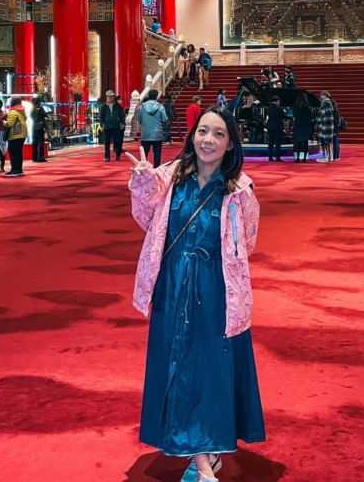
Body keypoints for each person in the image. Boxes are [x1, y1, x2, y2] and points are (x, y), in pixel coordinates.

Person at [125, 106, 265, 481]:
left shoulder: (240, 189)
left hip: (217, 290)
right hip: (172, 285)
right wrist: (141, 182)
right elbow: (146, 219)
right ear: (192, 136)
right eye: (203, 131)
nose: (208, 140)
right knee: (179, 366)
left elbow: (247, 240)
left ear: (231, 143)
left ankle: (205, 457)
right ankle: (205, 461)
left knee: (211, 371)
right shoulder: (168, 176)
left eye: (219, 134)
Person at [136, 90, 169, 167]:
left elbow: (139, 118)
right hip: (157, 132)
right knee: (157, 152)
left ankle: (143, 168)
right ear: (156, 96)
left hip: (145, 133)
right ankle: (156, 168)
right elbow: (164, 119)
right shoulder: (160, 107)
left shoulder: (142, 107)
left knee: (144, 153)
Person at [3, 98, 28, 176]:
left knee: (13, 153)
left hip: (15, 135)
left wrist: (3, 122)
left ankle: (14, 170)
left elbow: (10, 123)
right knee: (19, 153)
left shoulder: (13, 111)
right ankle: (19, 170)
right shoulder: (21, 111)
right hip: (22, 135)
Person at [100, 90, 126, 163]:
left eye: (112, 96)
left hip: (116, 127)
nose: (111, 98)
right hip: (107, 127)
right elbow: (101, 117)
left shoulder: (117, 106)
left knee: (118, 142)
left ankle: (118, 154)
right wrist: (101, 125)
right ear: (107, 97)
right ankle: (107, 157)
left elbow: (121, 115)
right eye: (110, 96)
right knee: (107, 143)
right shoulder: (103, 106)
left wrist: (122, 123)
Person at [292, 92, 314, 163]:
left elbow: (294, 115)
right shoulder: (307, 106)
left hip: (298, 125)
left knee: (297, 143)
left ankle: (297, 158)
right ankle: (304, 158)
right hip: (305, 125)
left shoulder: (295, 106)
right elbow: (310, 116)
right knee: (305, 143)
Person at [315, 90, 336, 163]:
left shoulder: (324, 104)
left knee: (325, 142)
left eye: (321, 95)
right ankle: (330, 157)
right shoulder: (329, 103)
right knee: (327, 143)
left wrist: (316, 120)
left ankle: (326, 157)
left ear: (324, 95)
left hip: (324, 125)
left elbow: (321, 114)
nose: (320, 97)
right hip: (329, 125)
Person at [265, 95, 286, 162]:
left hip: (270, 126)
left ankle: (270, 157)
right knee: (277, 142)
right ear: (277, 101)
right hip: (278, 126)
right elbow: (283, 116)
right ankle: (277, 157)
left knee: (271, 142)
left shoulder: (269, 108)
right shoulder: (280, 108)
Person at [31, 96, 48, 163]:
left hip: (34, 127)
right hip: (40, 126)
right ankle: (40, 157)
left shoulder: (32, 109)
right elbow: (45, 114)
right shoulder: (40, 108)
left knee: (35, 142)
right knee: (41, 142)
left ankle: (34, 157)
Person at [331, 97, 345, 162]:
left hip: (334, 128)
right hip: (337, 128)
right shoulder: (337, 111)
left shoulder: (334, 112)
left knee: (335, 142)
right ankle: (336, 155)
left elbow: (335, 122)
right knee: (336, 142)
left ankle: (335, 156)